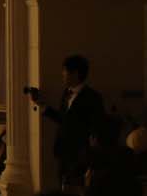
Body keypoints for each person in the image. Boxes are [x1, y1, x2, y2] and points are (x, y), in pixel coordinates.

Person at [26, 54, 104, 188]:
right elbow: (63, 119)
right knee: (63, 185)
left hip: (80, 153)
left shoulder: (93, 97)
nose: (62, 74)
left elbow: (94, 124)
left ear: (75, 74)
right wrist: (40, 103)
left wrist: (89, 150)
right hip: (63, 151)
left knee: (77, 187)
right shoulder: (66, 93)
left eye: (65, 71)